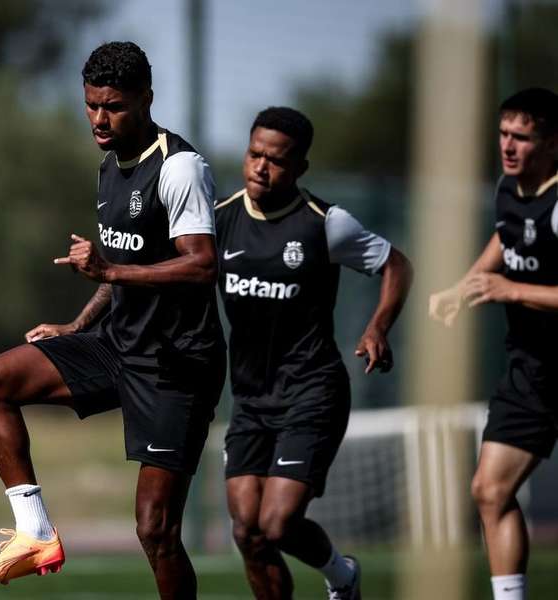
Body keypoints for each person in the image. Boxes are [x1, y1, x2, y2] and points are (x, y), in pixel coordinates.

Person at [0, 41, 226, 599]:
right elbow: (119, 270)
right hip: (115, 344)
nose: (100, 120)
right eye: (91, 105)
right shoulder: (110, 168)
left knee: (155, 530)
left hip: (176, 364)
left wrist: (109, 268)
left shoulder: (179, 167)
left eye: (114, 107)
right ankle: (34, 532)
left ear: (146, 99)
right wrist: (78, 326)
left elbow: (201, 265)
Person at [215, 106, 413, 600]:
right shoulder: (221, 219)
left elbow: (396, 264)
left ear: (300, 167)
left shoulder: (326, 223)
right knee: (248, 533)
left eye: (276, 160)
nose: (261, 167)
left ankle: (341, 576)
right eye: (254, 154)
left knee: (278, 523)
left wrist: (377, 327)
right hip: (251, 399)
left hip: (312, 391)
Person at [429, 87, 558, 600]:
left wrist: (512, 290)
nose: (508, 145)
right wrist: (465, 287)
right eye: (504, 133)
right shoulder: (509, 187)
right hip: (531, 371)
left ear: (552, 145)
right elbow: (507, 239)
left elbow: (515, 276)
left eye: (522, 137)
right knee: (490, 489)